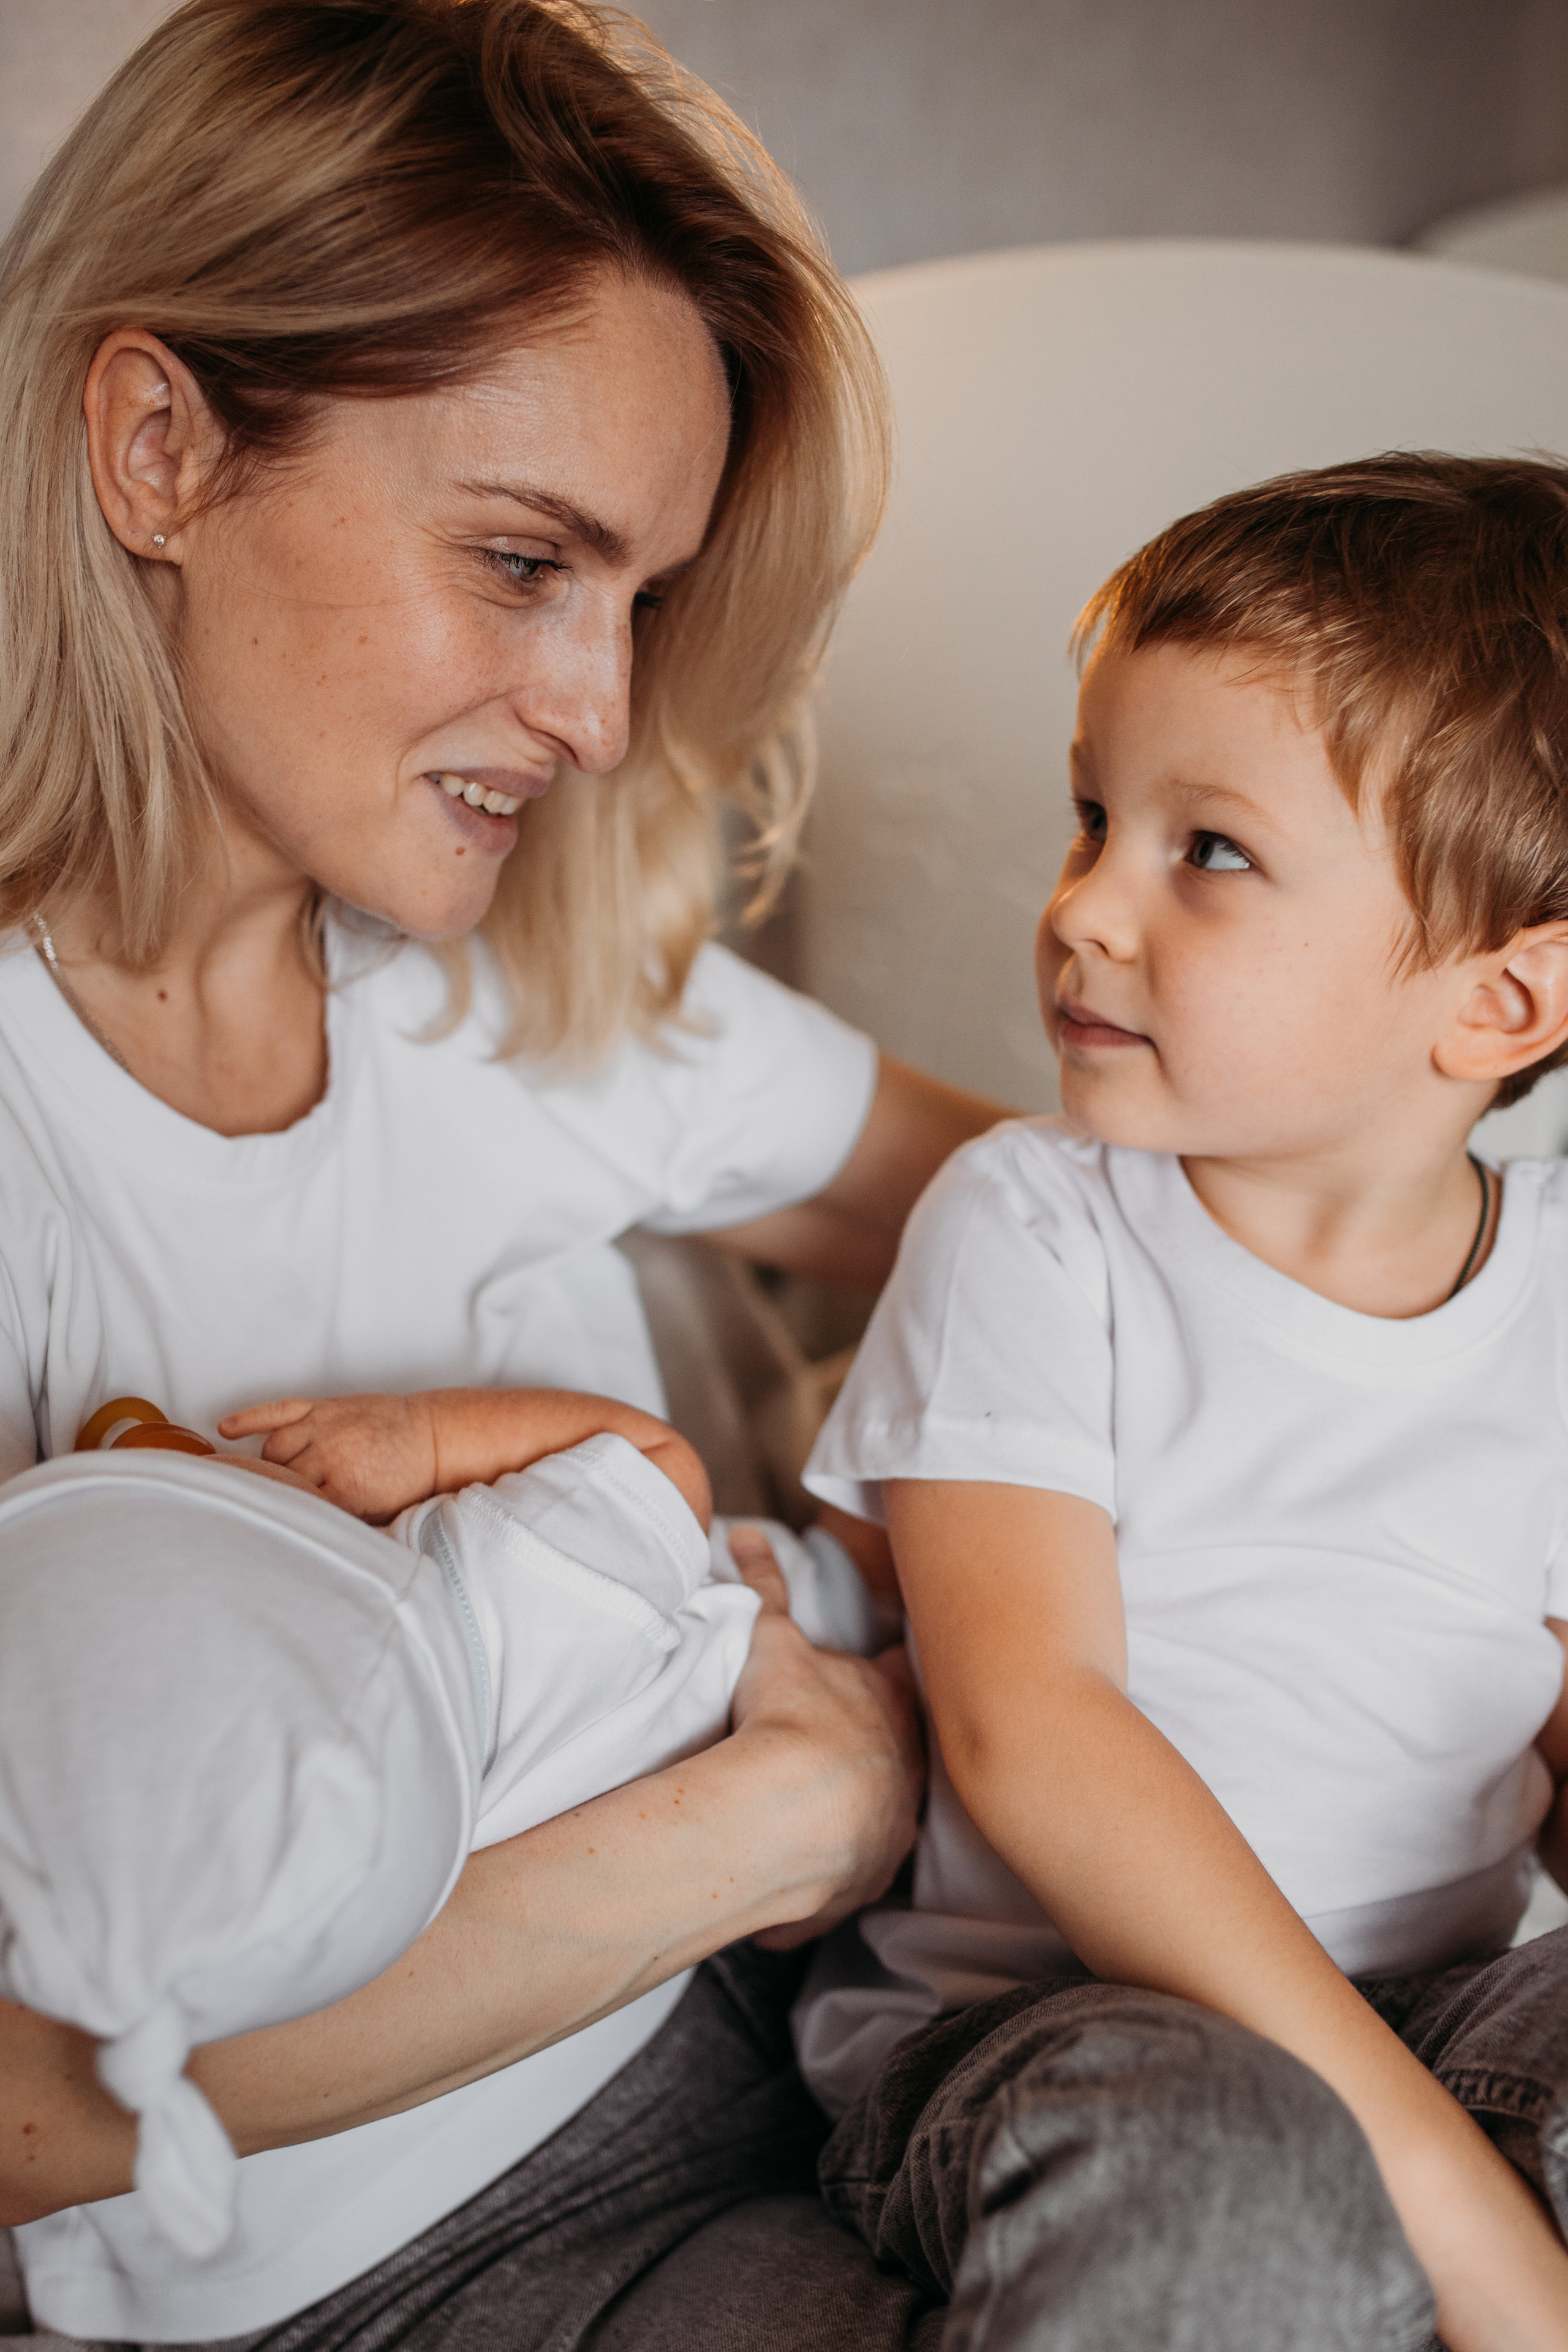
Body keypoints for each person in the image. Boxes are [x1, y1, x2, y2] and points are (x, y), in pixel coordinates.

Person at [0, 0, 990, 2342]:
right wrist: (771, 1827)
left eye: (639, 598)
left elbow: (1101, 1225)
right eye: (527, 561)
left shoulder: (533, 984)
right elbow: (29, 2113)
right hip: (370, 2264)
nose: (606, 714)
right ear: (157, 445)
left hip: (807, 2046)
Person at [801, 455, 1568, 2352]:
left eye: (1203, 851)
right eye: (1092, 820)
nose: (1084, 911)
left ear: (1496, 1009)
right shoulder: (1037, 1232)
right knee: (1217, 2187)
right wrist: (1452, 2202)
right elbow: (1030, 1729)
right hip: (1052, 2032)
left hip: (1444, 2004)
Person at [4, 1382, 881, 2268]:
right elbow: (660, 1458)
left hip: (758, 1895)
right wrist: (421, 1438)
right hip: (833, 1665)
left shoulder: (330, 1914)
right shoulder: (517, 1580)